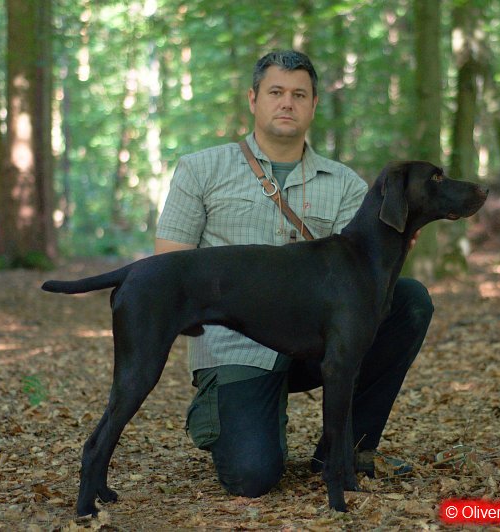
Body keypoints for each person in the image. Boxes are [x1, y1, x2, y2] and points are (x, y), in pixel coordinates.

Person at [155, 50, 433, 498]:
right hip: (236, 348)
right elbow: (168, 270)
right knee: (253, 476)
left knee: (408, 300)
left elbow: (364, 279)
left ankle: (346, 449)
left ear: (314, 104)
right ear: (253, 99)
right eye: (276, 92)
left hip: (316, 338)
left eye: (299, 94)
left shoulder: (346, 184)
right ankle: (233, 410)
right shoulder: (200, 169)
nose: (287, 102)